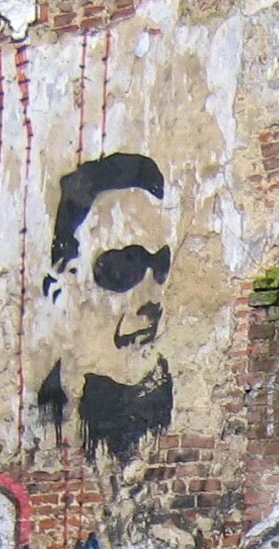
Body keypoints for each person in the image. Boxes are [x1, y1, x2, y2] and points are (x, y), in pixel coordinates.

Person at [36, 153, 174, 461]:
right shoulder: (47, 420)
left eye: (160, 266)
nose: (151, 297)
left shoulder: (174, 410)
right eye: (124, 269)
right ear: (61, 288)